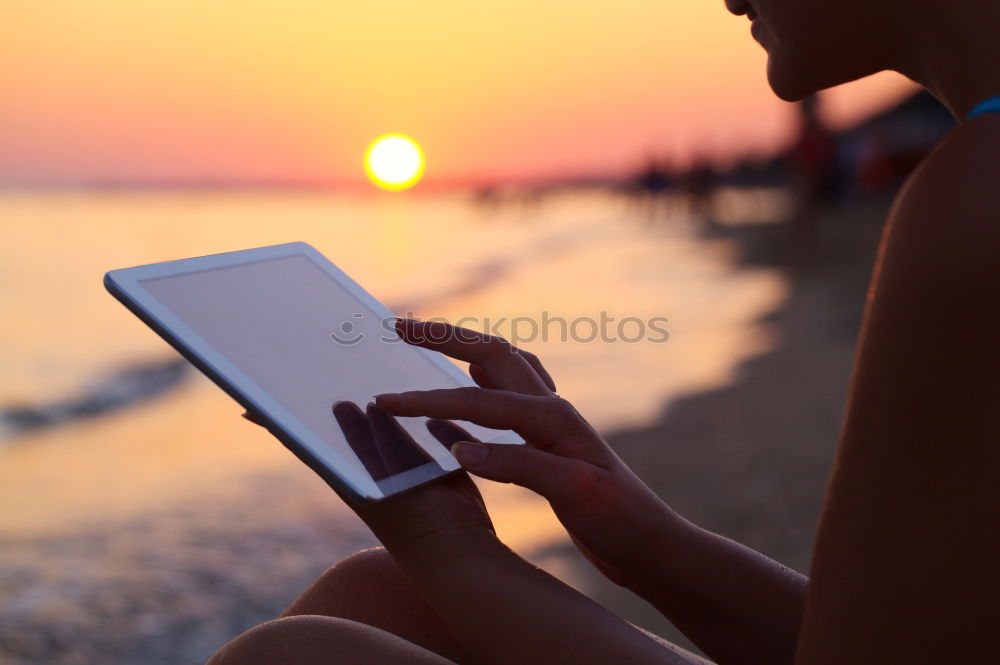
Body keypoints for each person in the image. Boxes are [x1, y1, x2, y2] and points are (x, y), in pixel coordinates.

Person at [208, 0, 1000, 662]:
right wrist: (647, 540)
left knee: (293, 655)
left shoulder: (976, 199)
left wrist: (453, 547)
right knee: (378, 588)